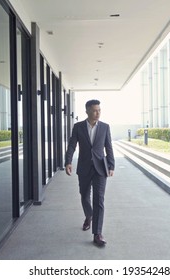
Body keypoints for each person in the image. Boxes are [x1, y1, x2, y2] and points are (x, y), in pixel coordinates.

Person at [65, 99, 115, 247]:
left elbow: (109, 147)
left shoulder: (105, 127)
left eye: (99, 110)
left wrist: (111, 165)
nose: (97, 113)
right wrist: (68, 162)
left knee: (99, 200)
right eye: (94, 110)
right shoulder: (78, 127)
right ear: (87, 111)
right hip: (84, 168)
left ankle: (97, 233)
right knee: (84, 195)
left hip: (100, 168)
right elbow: (72, 145)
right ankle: (89, 216)